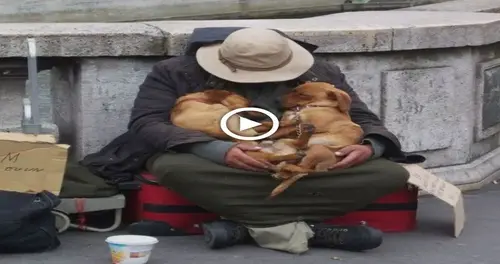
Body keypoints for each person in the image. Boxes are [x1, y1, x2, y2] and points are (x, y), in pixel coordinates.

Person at [100, 27, 424, 254]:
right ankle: (310, 230)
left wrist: (370, 148)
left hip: (300, 157)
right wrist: (218, 151)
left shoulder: (320, 72)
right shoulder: (174, 71)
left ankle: (249, 227)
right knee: (172, 168)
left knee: (391, 174)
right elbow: (146, 123)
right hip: (215, 160)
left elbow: (365, 120)